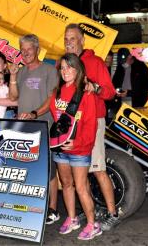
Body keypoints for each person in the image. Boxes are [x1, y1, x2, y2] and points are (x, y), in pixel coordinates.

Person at [64, 23, 119, 231]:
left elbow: (110, 92)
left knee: (98, 169)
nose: (69, 42)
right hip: (73, 124)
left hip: (93, 121)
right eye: (66, 39)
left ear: (82, 40)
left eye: (73, 38)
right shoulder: (66, 64)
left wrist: (94, 86)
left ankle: (113, 213)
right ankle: (91, 210)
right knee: (81, 172)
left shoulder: (95, 62)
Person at [8, 34, 60, 224]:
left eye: (29, 49)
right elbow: (13, 98)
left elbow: (51, 99)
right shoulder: (21, 72)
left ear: (38, 50)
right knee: (29, 168)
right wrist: (12, 76)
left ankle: (53, 208)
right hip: (24, 129)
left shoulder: (49, 70)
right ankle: (34, 205)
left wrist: (34, 113)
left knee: (49, 170)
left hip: (44, 126)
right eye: (22, 49)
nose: (26, 52)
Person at [50, 53, 101, 240]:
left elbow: (91, 125)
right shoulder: (57, 92)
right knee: (67, 184)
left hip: (79, 149)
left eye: (69, 67)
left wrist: (78, 143)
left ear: (78, 70)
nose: (65, 71)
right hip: (60, 148)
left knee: (81, 187)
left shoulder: (86, 93)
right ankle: (72, 219)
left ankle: (92, 224)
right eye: (62, 68)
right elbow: (55, 116)